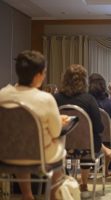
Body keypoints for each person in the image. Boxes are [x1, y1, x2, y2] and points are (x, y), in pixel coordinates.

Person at [0, 50, 66, 200]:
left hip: (6, 156)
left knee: (20, 142)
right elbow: (56, 133)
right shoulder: (45, 99)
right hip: (39, 158)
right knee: (60, 143)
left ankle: (27, 195)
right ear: (38, 75)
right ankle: (54, 195)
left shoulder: (2, 94)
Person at [54, 64, 111, 195]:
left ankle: (64, 179)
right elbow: (99, 127)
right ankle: (84, 183)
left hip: (61, 146)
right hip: (87, 148)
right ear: (84, 81)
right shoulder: (89, 100)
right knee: (89, 140)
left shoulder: (56, 98)